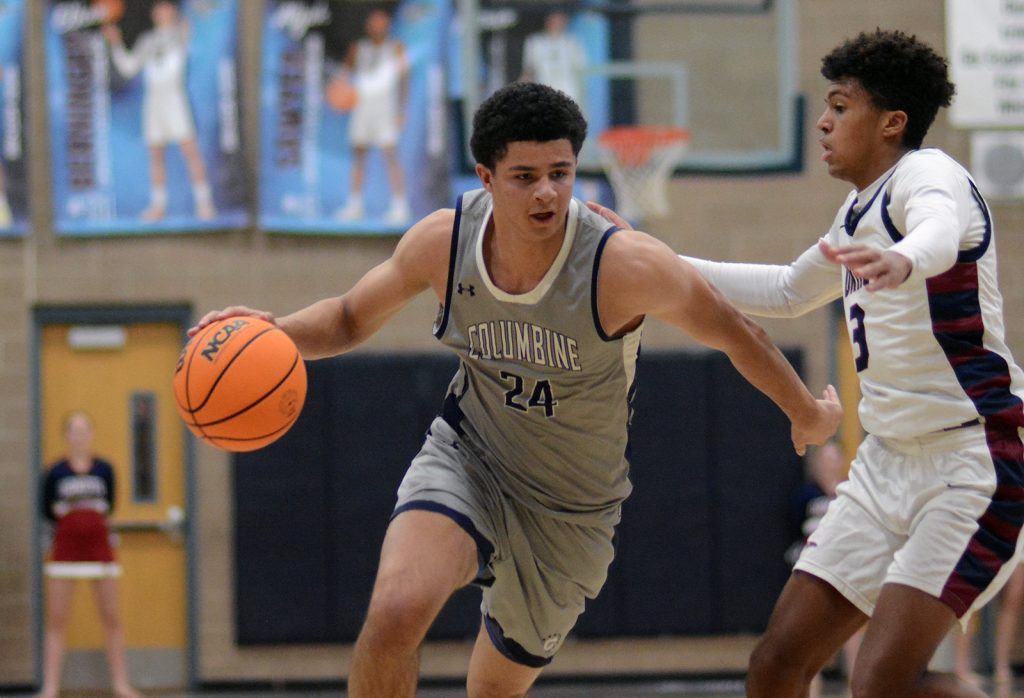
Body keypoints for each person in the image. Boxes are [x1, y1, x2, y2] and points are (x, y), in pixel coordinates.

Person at [191, 81, 841, 697]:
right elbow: (348, 317)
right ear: (486, 178)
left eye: (560, 173)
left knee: (492, 690)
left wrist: (806, 411)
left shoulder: (622, 264)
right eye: (525, 177)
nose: (546, 195)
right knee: (395, 611)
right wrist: (271, 332)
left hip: (572, 510)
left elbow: (737, 332)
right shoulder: (443, 243)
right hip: (471, 458)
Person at [593, 28, 1024, 698]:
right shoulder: (856, 213)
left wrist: (907, 257)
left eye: (841, 106)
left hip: (974, 465)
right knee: (776, 664)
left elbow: (938, 227)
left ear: (892, 122)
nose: (823, 121)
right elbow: (788, 291)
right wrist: (647, 260)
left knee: (882, 681)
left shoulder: (930, 177)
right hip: (886, 464)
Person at [38, 412, 139, 698]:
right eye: (74, 430)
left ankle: (121, 684)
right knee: (57, 619)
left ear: (91, 435)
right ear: (66, 436)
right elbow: (46, 510)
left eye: (85, 430)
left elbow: (111, 506)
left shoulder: (105, 469)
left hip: (99, 550)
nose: (80, 436)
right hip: (65, 551)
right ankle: (50, 687)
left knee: (112, 617)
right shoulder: (55, 472)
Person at [101, 0, 216, 222]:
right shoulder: (147, 41)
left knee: (190, 150)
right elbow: (128, 67)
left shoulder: (181, 32)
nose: (163, 12)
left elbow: (197, 23)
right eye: (159, 8)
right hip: (154, 102)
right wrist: (115, 44)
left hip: (175, 99)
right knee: (156, 155)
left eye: (167, 7)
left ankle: (204, 202)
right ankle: (158, 205)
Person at [334, 8, 410, 224]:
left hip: (386, 110)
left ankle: (399, 205)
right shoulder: (357, 49)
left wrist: (401, 112)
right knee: (359, 156)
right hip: (362, 109)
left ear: (387, 25)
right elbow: (344, 76)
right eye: (374, 22)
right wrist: (339, 95)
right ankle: (355, 204)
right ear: (368, 25)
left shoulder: (396, 48)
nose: (377, 26)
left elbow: (404, 81)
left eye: (381, 22)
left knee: (391, 156)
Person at [520, 11, 587, 111]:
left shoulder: (572, 42)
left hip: (569, 93)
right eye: (553, 18)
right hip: (544, 92)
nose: (556, 22)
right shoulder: (535, 41)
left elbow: (580, 70)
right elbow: (529, 69)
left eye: (560, 19)